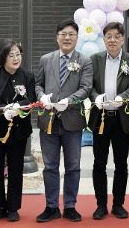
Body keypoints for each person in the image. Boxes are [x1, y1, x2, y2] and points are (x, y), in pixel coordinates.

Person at [35, 19, 92, 223]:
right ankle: (51, 206)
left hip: (72, 120)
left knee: (73, 166)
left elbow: (86, 88)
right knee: (50, 166)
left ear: (77, 38)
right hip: (48, 120)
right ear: (57, 37)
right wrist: (42, 96)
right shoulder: (45, 59)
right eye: (63, 34)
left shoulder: (84, 60)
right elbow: (38, 85)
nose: (67, 38)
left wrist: (69, 100)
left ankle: (70, 206)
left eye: (71, 34)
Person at [0, 40, 36, 222]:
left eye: (18, 54)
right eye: (11, 55)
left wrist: (17, 107)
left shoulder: (27, 76)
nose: (16, 58)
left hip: (18, 130)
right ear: (3, 57)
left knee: (16, 169)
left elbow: (31, 98)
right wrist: (3, 108)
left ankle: (13, 207)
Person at [88, 22, 129, 220]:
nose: (112, 40)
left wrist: (123, 97)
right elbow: (89, 85)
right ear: (104, 39)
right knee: (99, 163)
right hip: (100, 118)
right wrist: (96, 97)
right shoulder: (94, 59)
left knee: (121, 163)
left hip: (121, 119)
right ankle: (101, 205)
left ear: (122, 39)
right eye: (108, 36)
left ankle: (118, 204)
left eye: (116, 36)